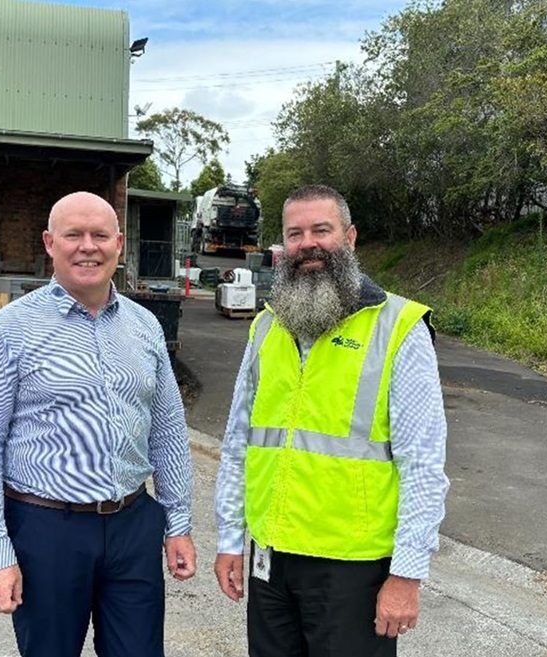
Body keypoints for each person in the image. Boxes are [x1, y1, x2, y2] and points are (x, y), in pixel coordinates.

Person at [213, 184, 449, 657]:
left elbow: (423, 462)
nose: (308, 244)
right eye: (295, 234)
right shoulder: (265, 326)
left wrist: (405, 574)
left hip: (352, 568)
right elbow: (239, 442)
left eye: (322, 230)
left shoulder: (398, 327)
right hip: (271, 555)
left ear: (350, 237)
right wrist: (230, 538)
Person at [0, 191, 196, 657]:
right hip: (46, 530)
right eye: (74, 235)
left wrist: (177, 522)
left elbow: (167, 430)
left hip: (132, 526)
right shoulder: (10, 330)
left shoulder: (145, 326)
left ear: (119, 244)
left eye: (100, 235)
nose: (88, 246)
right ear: (50, 243)